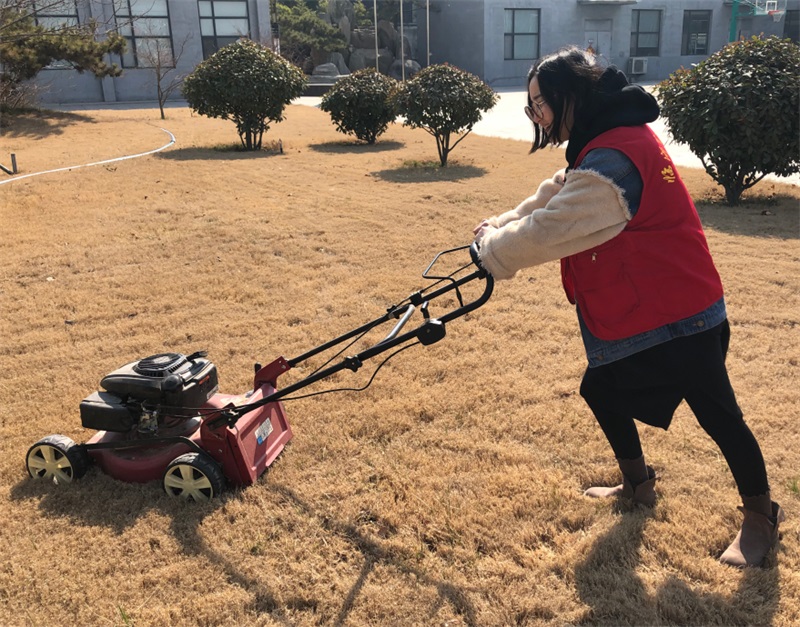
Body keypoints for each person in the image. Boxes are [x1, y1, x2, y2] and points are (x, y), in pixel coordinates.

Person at [473, 46, 784, 568]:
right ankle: (638, 486)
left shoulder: (614, 157)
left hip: (680, 309)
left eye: (540, 105)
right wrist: (500, 226)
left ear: (569, 97)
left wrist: (495, 251)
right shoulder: (603, 140)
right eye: (531, 109)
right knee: (600, 387)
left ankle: (759, 517)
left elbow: (555, 226)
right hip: (651, 305)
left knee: (718, 414)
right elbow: (557, 193)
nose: (537, 118)